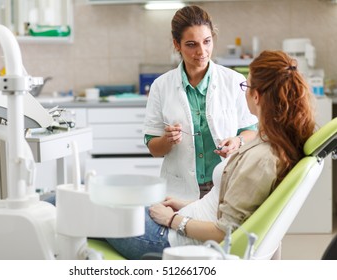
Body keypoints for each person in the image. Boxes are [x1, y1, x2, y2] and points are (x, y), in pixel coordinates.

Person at [103, 50, 316, 259]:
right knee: (110, 197)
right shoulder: (271, 143)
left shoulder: (261, 159)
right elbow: (228, 209)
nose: (243, 91)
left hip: (174, 239)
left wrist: (171, 220)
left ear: (257, 95)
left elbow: (225, 233)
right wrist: (184, 206)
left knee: (91, 209)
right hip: (185, 218)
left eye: (246, 86)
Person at [144, 5, 258, 200]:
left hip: (225, 185)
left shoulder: (233, 81)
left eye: (207, 41)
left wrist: (237, 141)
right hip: (180, 189)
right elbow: (154, 148)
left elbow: (252, 131)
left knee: (221, 231)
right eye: (191, 44)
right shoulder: (161, 86)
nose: (202, 51)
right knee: (181, 230)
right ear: (177, 44)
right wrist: (166, 140)